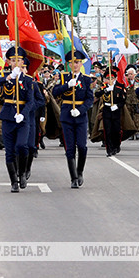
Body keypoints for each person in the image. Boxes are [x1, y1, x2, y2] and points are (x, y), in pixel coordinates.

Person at [0, 47, 40, 193]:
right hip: (7, 116)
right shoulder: (5, 77)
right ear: (8, 62)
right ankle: (13, 181)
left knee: (22, 146)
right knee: (10, 151)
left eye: (18, 60)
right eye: (13, 60)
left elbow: (31, 101)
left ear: (23, 61)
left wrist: (23, 114)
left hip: (22, 118)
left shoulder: (28, 80)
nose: (16, 63)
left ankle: (23, 172)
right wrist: (9, 77)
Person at [51, 50, 95, 189]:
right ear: (69, 64)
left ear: (81, 63)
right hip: (66, 115)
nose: (75, 65)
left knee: (82, 146)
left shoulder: (86, 79)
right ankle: (73, 177)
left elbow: (89, 99)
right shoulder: (64, 77)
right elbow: (54, 92)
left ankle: (80, 171)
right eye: (72, 63)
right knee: (69, 148)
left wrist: (81, 110)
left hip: (80, 115)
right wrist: (67, 85)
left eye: (77, 62)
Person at [95, 68, 126, 156]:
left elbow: (123, 100)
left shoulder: (120, 86)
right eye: (108, 78)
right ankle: (109, 149)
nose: (110, 80)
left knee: (116, 130)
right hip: (107, 110)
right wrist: (106, 90)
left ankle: (116, 145)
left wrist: (117, 106)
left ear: (115, 78)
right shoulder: (104, 87)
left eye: (112, 78)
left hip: (116, 110)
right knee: (107, 130)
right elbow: (97, 94)